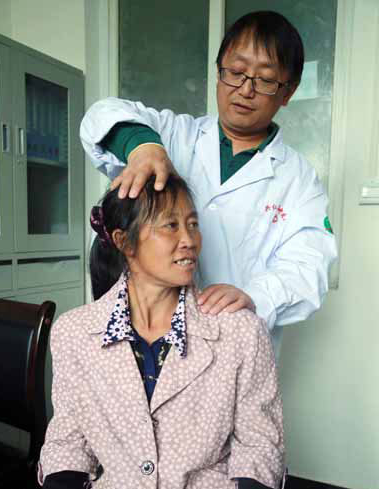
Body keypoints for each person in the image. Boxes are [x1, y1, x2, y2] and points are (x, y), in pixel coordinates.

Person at [10, 175, 284, 489]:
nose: (189, 240)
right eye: (170, 226)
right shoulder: (75, 333)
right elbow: (68, 449)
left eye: (193, 224)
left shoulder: (239, 331)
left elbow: (259, 452)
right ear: (125, 242)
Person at [80, 10, 337, 357]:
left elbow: (309, 269)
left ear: (287, 91)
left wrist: (256, 296)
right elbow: (101, 115)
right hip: (142, 335)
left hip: (231, 344)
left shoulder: (299, 180)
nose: (245, 89)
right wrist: (141, 147)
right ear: (219, 72)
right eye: (236, 72)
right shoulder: (174, 134)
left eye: (264, 80)